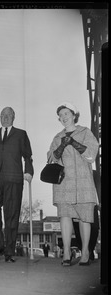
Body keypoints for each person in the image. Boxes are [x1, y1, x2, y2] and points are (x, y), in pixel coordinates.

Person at [0, 107, 34, 263]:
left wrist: (28, 171)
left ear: (13, 117)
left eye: (8, 115)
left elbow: (28, 156)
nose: (5, 118)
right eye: (2, 115)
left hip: (14, 178)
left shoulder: (21, 134)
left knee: (11, 214)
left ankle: (9, 251)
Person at [47, 102, 99, 266]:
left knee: (85, 217)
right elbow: (51, 159)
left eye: (66, 114)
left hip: (83, 181)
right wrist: (63, 144)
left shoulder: (85, 132)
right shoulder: (57, 137)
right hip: (64, 182)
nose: (63, 117)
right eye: (61, 115)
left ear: (74, 115)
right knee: (65, 216)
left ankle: (85, 252)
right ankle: (67, 252)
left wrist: (74, 143)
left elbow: (91, 155)